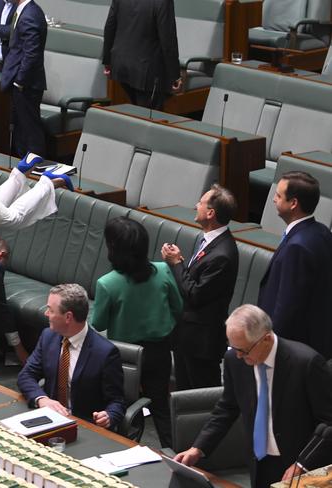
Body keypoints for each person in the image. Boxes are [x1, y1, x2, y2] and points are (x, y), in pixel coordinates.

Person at [175, 304, 332, 488]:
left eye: (244, 350)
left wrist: (303, 463)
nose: (239, 355)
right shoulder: (235, 359)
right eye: (233, 347)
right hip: (259, 460)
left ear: (266, 339)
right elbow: (227, 408)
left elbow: (328, 421)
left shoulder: (306, 363)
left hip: (299, 463)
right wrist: (198, 448)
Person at [92, 217, 182, 447]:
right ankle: (175, 453)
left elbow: (99, 323)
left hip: (124, 356)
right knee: (160, 404)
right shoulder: (163, 271)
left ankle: (117, 449)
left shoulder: (106, 283)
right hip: (159, 350)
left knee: (117, 403)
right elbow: (179, 308)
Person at [17, 284, 126, 431]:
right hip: (49, 419)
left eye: (51, 310)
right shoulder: (48, 336)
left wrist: (108, 416)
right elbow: (26, 375)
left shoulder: (105, 353)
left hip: (84, 426)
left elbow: (117, 401)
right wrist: (42, 399)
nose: (46, 314)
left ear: (68, 317)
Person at [161, 185, 239, 389]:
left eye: (201, 203)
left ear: (211, 213)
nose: (196, 205)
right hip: (188, 337)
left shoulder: (222, 254)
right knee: (183, 397)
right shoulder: (209, 241)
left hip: (201, 343)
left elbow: (195, 294)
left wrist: (177, 263)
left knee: (198, 403)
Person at [257, 171, 332, 359]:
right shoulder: (321, 231)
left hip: (291, 349)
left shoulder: (297, 247)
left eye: (279, 195)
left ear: (293, 203)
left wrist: (270, 348)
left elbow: (287, 307)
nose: (274, 199)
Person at [102, 0, 182, 109]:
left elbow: (109, 27)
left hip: (121, 65)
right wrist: (174, 75)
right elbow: (168, 40)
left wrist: (107, 61)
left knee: (138, 113)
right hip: (148, 73)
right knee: (150, 120)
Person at [0, 0, 47, 158]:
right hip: (22, 83)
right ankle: (23, 167)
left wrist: (19, 81)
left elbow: (31, 52)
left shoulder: (30, 14)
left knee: (29, 131)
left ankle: (34, 168)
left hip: (27, 85)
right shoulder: (24, 10)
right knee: (21, 129)